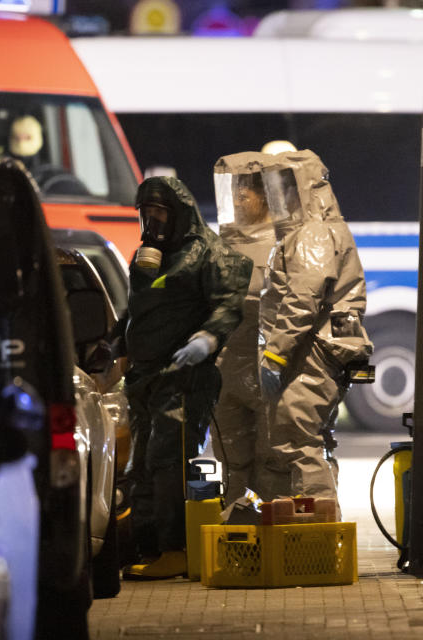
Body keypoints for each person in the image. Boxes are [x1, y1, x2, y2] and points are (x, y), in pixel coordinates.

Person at [116, 176, 251, 579]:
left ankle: (175, 548)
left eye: (158, 214)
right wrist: (117, 345)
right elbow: (137, 309)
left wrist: (207, 339)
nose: (151, 223)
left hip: (182, 378)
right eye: (145, 214)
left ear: (178, 214)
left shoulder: (207, 253)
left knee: (169, 462)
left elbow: (228, 302)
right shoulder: (150, 255)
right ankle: (149, 545)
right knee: (140, 465)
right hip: (145, 378)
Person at [256, 149, 373, 514]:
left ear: (300, 188)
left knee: (296, 441)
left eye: (280, 187)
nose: (274, 198)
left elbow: (301, 300)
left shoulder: (312, 232)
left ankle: (314, 538)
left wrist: (275, 354)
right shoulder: (308, 230)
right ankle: (309, 533)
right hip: (313, 349)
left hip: (310, 351)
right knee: (306, 440)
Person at [210, 152, 279, 508]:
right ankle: (237, 535)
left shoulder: (284, 240)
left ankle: (275, 534)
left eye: (244, 192)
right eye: (233, 192)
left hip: (267, 365)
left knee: (272, 460)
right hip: (229, 367)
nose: (237, 200)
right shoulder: (223, 242)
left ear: (265, 195)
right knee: (232, 460)